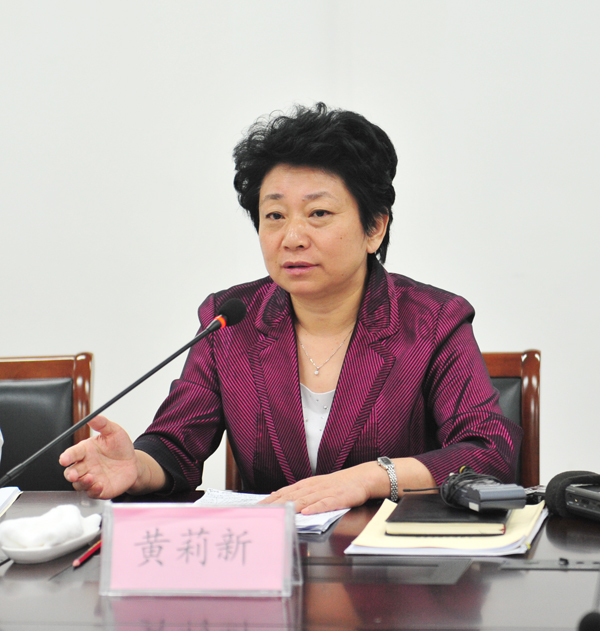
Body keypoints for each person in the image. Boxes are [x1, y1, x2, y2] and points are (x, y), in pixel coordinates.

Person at [59, 103, 522, 514]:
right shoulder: (231, 321)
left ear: (374, 228)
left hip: (396, 566)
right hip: (273, 562)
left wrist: (368, 478)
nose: (292, 237)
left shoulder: (432, 321)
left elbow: (488, 452)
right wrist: (136, 467)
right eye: (275, 216)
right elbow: (176, 445)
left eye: (318, 214)